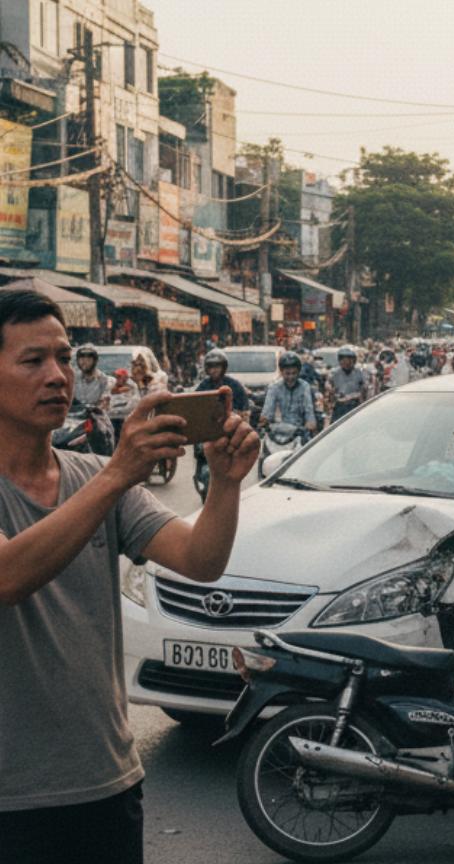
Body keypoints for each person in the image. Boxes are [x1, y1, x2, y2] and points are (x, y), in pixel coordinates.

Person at [0, 289, 259, 864]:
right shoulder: (107, 479)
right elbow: (8, 577)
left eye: (65, 358)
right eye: (32, 360)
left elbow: (200, 560)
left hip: (106, 783)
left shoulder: (92, 475)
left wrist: (226, 481)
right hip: (10, 800)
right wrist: (118, 473)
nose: (58, 375)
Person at [260, 351, 317, 437]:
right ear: (281, 372)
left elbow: (309, 412)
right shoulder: (274, 387)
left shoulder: (305, 387)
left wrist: (310, 423)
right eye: (287, 373)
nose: (291, 377)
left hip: (300, 433)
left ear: (298, 372)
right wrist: (265, 420)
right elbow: (268, 411)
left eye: (294, 373)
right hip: (279, 432)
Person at [194, 349, 250, 421]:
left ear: (223, 367)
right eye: (210, 367)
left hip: (231, 423)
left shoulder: (234, 385)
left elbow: (244, 411)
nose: (213, 370)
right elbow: (195, 404)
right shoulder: (204, 385)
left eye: (217, 366)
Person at [326, 345, 367, 423]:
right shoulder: (335, 373)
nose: (346, 363)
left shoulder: (359, 373)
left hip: (354, 405)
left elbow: (364, 389)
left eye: (349, 360)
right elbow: (329, 385)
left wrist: (353, 396)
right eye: (343, 360)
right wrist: (330, 388)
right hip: (339, 406)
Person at [72, 344, 111, 410]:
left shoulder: (103, 379)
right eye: (81, 358)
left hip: (96, 415)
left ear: (95, 361)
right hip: (75, 415)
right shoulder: (73, 378)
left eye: (88, 358)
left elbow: (106, 400)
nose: (84, 361)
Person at [108, 368, 138, 442]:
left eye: (118, 377)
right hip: (112, 417)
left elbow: (131, 406)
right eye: (115, 376)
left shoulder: (130, 388)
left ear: (125, 378)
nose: (116, 379)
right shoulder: (112, 387)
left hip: (123, 418)